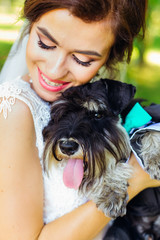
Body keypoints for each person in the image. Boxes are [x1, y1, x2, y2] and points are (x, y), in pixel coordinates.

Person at [0, 0, 160, 239]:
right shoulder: (15, 111)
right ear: (30, 26)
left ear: (110, 55)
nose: (54, 71)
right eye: (45, 43)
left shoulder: (105, 100)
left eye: (83, 60)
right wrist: (135, 179)